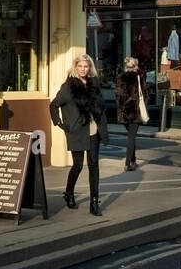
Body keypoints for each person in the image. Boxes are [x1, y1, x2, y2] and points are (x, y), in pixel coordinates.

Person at [50, 53, 108, 216]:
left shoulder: (94, 84)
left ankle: (94, 202)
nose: (83, 69)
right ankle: (69, 193)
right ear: (75, 67)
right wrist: (61, 124)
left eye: (86, 66)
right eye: (80, 66)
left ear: (90, 68)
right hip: (77, 130)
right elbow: (54, 105)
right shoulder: (68, 86)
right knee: (77, 165)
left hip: (93, 129)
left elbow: (101, 104)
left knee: (94, 164)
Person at [115, 56, 145, 171]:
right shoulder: (138, 78)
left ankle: (133, 160)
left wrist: (121, 107)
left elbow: (117, 95)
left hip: (124, 112)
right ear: (136, 66)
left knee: (131, 137)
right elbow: (144, 95)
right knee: (131, 138)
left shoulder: (120, 78)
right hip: (135, 112)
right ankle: (128, 163)